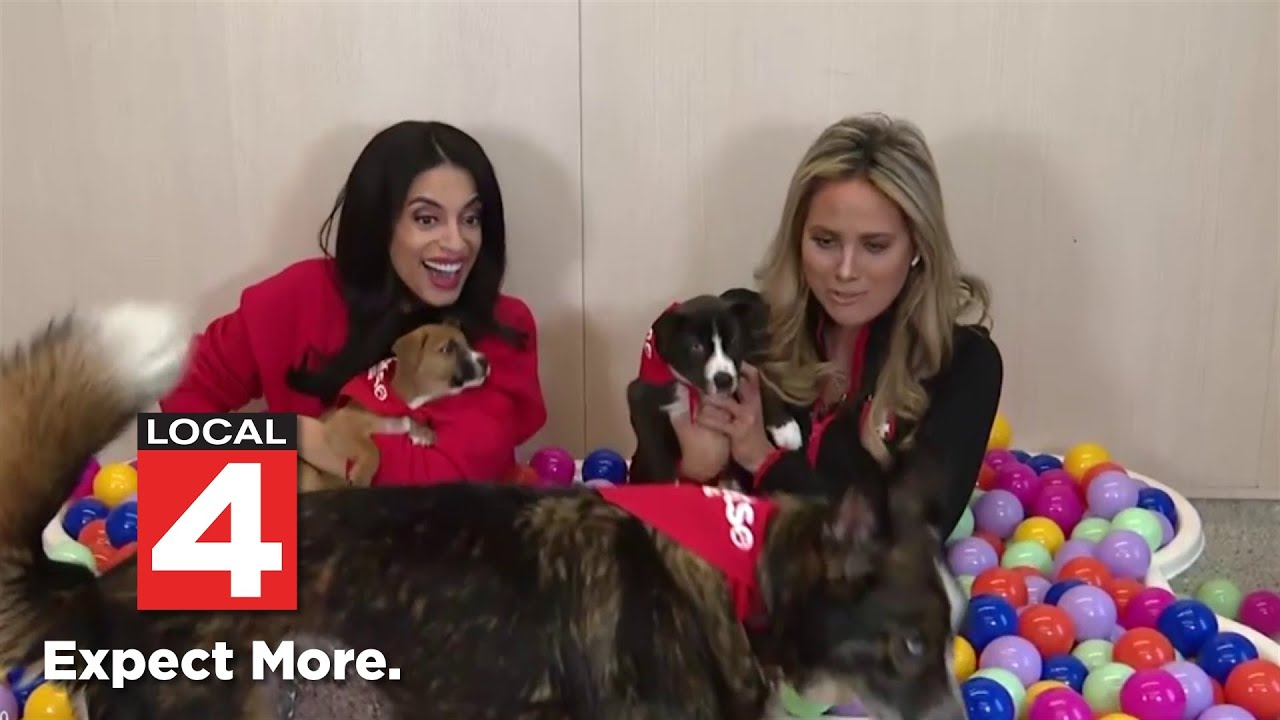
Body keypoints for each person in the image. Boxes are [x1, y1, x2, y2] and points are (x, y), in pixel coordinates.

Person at [158, 120, 548, 485]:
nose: (456, 242)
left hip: (441, 528)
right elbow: (185, 392)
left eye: (471, 219)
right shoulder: (300, 294)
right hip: (312, 521)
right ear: (379, 223)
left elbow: (446, 475)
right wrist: (274, 457)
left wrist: (304, 436)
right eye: (427, 219)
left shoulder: (503, 326)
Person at [690, 112, 1003, 537]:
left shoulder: (963, 363)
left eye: (875, 246)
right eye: (825, 241)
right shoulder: (740, 329)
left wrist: (765, 460)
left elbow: (906, 537)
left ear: (918, 246)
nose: (845, 271)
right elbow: (665, 486)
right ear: (797, 238)